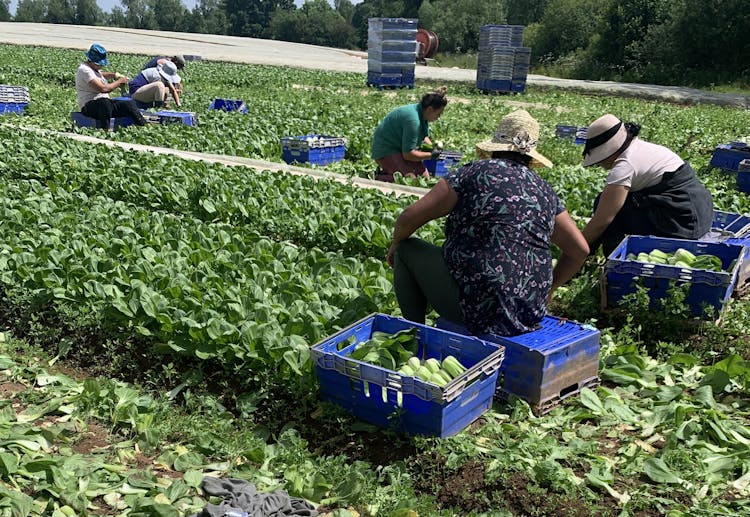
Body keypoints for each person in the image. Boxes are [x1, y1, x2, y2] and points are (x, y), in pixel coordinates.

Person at [387, 110, 589, 336]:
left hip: (478, 309)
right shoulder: (544, 191)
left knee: (406, 249)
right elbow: (579, 250)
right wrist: (550, 288)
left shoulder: (472, 174)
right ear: (530, 156)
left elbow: (407, 219)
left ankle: (413, 335)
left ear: (494, 148)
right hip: (530, 313)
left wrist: (396, 243)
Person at [580, 114, 713, 257]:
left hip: (682, 223)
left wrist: (574, 249)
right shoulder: (643, 148)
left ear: (608, 151)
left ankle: (614, 259)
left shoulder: (625, 165)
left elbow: (602, 220)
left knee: (606, 206)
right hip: (701, 213)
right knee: (617, 201)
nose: (599, 164)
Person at [371, 86, 448, 182]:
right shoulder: (413, 120)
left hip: (401, 149)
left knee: (424, 178)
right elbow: (408, 155)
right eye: (438, 114)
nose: (439, 117)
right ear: (430, 109)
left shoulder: (422, 114)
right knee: (409, 180)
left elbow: (424, 137)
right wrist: (430, 155)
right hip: (386, 150)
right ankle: (379, 177)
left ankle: (389, 172)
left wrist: (433, 147)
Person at [75, 43, 147, 129]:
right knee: (104, 103)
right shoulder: (84, 70)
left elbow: (101, 75)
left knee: (129, 104)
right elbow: (103, 89)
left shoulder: (93, 69)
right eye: (100, 64)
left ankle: (143, 126)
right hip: (89, 107)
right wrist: (119, 82)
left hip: (105, 106)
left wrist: (114, 75)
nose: (101, 66)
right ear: (92, 61)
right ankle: (105, 129)